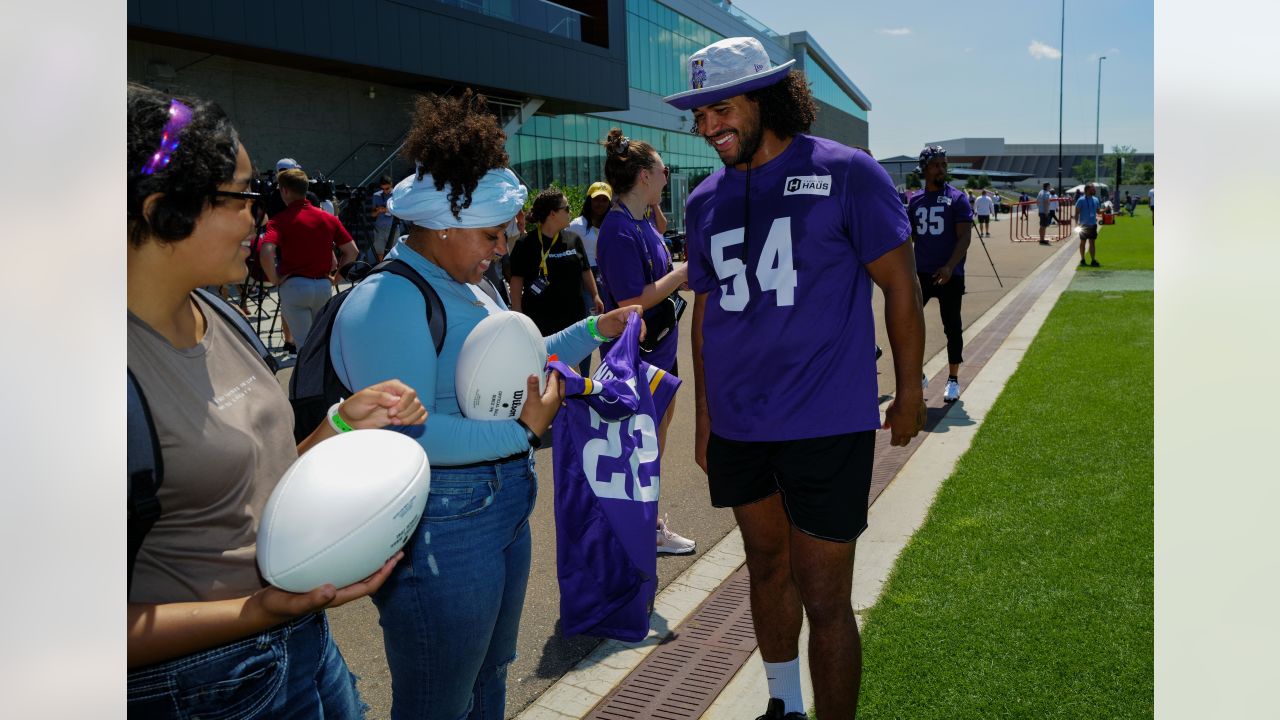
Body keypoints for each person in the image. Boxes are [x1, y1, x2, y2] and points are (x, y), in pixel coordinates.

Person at [327, 89, 641, 720]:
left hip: (496, 507)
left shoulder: (471, 282)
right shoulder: (387, 301)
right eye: (493, 235)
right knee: (440, 698)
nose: (502, 248)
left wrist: (591, 332)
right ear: (442, 225)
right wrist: (523, 433)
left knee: (490, 675)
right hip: (445, 523)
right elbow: (403, 441)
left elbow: (517, 355)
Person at [126, 82, 429, 718]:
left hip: (297, 640)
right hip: (202, 685)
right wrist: (254, 610)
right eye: (243, 197)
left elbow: (258, 479)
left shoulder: (218, 314)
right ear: (162, 210)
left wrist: (341, 424)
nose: (259, 218)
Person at [664, 36, 926, 720]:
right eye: (697, 115)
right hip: (741, 425)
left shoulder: (848, 172)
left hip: (826, 420)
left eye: (719, 108)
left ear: (766, 98)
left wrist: (912, 389)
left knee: (824, 592)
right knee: (764, 566)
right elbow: (707, 310)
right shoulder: (703, 200)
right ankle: (783, 706)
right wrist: (704, 418)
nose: (706, 126)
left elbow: (901, 285)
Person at [595, 127, 698, 556]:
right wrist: (681, 273)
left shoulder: (641, 222)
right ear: (642, 175)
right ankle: (643, 528)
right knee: (642, 445)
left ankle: (643, 522)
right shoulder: (617, 230)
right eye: (662, 168)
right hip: (639, 359)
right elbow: (633, 300)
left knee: (655, 438)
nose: (666, 174)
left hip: (661, 353)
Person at [510, 187, 604, 378]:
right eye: (566, 208)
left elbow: (586, 270)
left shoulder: (573, 239)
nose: (570, 211)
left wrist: (595, 295)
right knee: (546, 372)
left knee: (577, 373)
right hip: (541, 322)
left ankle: (576, 403)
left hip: (574, 320)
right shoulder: (525, 244)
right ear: (552, 214)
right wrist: (517, 313)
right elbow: (516, 281)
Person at [258, 168, 357, 347]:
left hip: (294, 285)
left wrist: (275, 279)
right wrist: (337, 279)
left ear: (285, 190)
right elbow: (352, 251)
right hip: (322, 286)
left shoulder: (279, 220)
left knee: (304, 348)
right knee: (321, 343)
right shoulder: (329, 219)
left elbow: (266, 253)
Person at [909, 146, 974, 404]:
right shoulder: (914, 200)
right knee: (909, 323)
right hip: (921, 272)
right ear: (925, 168)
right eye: (936, 164)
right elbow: (909, 237)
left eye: (944, 164)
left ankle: (953, 379)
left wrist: (949, 266)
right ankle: (918, 373)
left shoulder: (957, 198)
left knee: (952, 327)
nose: (942, 169)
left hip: (949, 274)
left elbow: (965, 236)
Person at [570, 180, 612, 294]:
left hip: (608, 274)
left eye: (604, 200)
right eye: (596, 199)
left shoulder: (613, 225)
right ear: (589, 200)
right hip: (586, 276)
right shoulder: (576, 225)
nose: (600, 203)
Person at [369, 174, 396, 261]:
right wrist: (378, 211)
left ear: (391, 185)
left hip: (392, 228)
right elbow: (372, 214)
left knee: (393, 252)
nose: (385, 191)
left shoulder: (396, 194)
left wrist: (386, 210)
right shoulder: (376, 195)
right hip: (379, 228)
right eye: (383, 189)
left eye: (387, 188)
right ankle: (380, 269)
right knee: (379, 252)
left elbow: (399, 212)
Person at [1076, 181, 1103, 267]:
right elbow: (1076, 213)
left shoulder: (1095, 199)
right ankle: (1083, 259)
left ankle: (1093, 260)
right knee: (1082, 242)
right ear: (1087, 190)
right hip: (1083, 225)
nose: (1094, 190)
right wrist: (1076, 224)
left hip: (1092, 224)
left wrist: (1105, 209)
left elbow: (1098, 212)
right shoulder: (1081, 200)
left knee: (1092, 243)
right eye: (1092, 189)